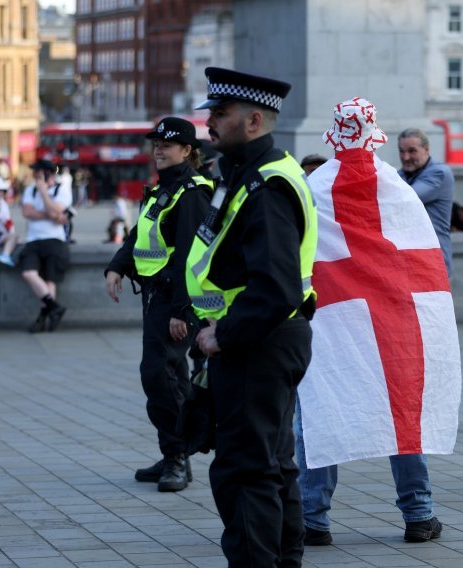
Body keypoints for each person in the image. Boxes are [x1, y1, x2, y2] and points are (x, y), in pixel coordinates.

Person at [295, 97, 460, 547]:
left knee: (318, 408)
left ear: (333, 134)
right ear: (374, 134)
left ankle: (313, 519)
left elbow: (300, 248)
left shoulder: (314, 185)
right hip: (394, 319)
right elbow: (419, 258)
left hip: (331, 315)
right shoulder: (394, 185)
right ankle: (419, 515)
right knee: (402, 411)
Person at [188, 67, 317, 567]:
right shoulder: (243, 176)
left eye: (220, 114)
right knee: (271, 465)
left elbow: (275, 285)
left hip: (256, 342)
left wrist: (226, 336)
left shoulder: (267, 186)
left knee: (246, 471)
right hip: (260, 338)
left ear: (255, 119)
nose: (210, 123)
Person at [105, 117, 212, 493]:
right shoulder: (162, 190)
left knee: (159, 375)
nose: (159, 150)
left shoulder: (192, 193)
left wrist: (183, 311)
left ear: (187, 151)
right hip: (155, 297)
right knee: (168, 377)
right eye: (156, 144)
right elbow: (139, 235)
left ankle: (178, 458)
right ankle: (173, 451)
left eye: (167, 145)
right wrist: (117, 266)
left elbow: (189, 255)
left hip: (173, 300)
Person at [18, 159, 73, 333]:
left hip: (55, 239)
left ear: (48, 173)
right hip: (33, 240)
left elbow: (58, 210)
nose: (35, 176)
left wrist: (44, 193)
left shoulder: (61, 190)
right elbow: (27, 212)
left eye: (38, 172)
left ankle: (43, 319)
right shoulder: (29, 189)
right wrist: (50, 215)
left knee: (50, 280)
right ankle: (54, 307)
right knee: (28, 272)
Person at [398, 128, 455, 276]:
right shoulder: (400, 175)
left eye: (412, 151)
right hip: (409, 259)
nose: (405, 157)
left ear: (426, 149)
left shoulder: (440, 172)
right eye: (402, 151)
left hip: (432, 260)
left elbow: (405, 199)